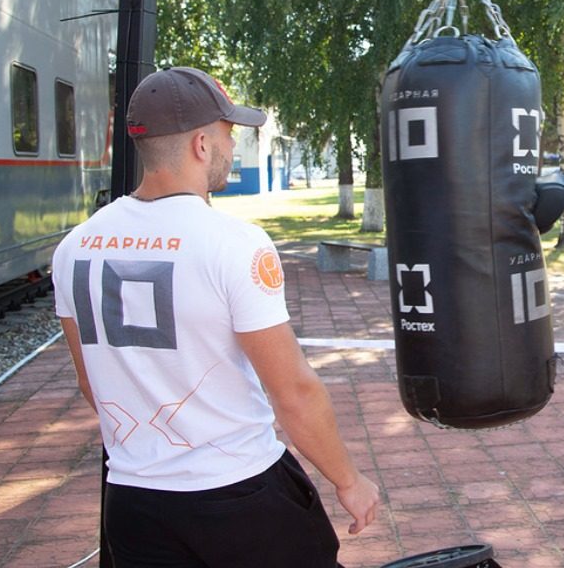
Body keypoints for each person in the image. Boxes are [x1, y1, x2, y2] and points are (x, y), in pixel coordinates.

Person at [52, 67, 380, 567]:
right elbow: (293, 390)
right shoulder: (233, 243)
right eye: (229, 133)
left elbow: (89, 383)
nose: (231, 145)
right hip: (239, 494)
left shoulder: (74, 248)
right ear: (202, 144)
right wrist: (348, 480)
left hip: (133, 501)